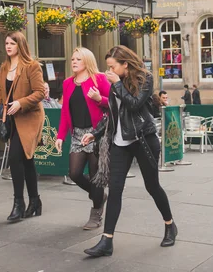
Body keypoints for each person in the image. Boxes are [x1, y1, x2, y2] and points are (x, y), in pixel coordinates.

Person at [82, 45, 176, 257]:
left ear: (125, 64)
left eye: (113, 67)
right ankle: (107, 241)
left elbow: (133, 105)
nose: (109, 71)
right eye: (108, 67)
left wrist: (116, 84)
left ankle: (170, 224)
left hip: (144, 139)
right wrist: (95, 133)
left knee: (152, 186)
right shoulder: (114, 82)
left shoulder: (145, 78)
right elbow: (112, 112)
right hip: (120, 142)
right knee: (115, 190)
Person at [0, 32, 45, 222]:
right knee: (26, 159)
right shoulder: (4, 67)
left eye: (12, 43)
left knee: (15, 158)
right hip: (11, 118)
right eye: (6, 43)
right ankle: (35, 201)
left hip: (29, 117)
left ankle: (19, 204)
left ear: (20, 45)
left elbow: (40, 92)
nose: (8, 46)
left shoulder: (31, 66)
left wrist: (21, 102)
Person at [55, 47, 110, 230]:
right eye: (72, 59)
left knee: (96, 177)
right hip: (77, 134)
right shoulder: (68, 83)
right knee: (75, 173)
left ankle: (95, 215)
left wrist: (98, 98)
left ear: (87, 61)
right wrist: (60, 136)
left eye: (78, 59)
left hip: (96, 133)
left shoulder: (99, 79)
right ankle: (99, 195)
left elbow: (114, 103)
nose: (74, 62)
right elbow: (64, 112)